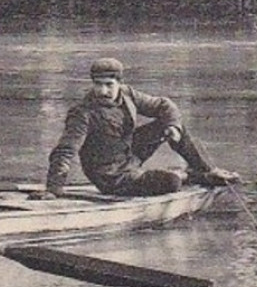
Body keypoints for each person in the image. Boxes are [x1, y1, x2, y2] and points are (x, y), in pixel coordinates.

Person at [45, 57, 240, 197]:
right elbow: (65, 150)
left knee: (171, 123)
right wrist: (53, 189)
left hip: (129, 156)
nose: (103, 91)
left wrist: (173, 128)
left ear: (119, 83)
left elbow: (164, 105)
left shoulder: (128, 94)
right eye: (98, 84)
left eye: (108, 84)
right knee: (171, 182)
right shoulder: (82, 113)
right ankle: (188, 176)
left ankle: (206, 170)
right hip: (112, 177)